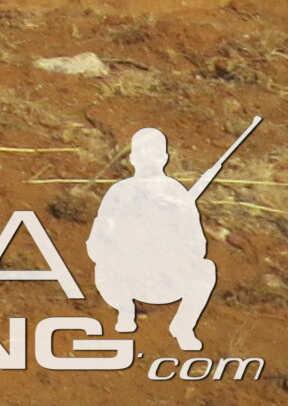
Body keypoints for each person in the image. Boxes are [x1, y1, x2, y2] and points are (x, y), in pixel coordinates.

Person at [89, 126, 224, 352]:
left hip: (166, 278)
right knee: (104, 266)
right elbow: (99, 237)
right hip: (126, 275)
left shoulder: (176, 194)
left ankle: (183, 327)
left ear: (164, 158)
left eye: (153, 153)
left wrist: (170, 234)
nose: (147, 159)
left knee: (205, 269)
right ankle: (125, 310)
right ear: (132, 158)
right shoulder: (119, 192)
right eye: (142, 153)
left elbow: (197, 246)